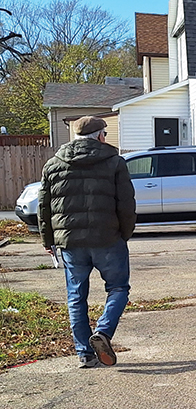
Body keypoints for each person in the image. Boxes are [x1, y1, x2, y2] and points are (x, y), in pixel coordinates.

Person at [38, 115, 135, 369]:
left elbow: (44, 206)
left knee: (76, 297)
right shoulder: (115, 162)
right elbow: (126, 203)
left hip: (70, 243)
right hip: (108, 238)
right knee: (118, 288)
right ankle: (103, 332)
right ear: (101, 136)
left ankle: (84, 353)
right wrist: (125, 233)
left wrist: (47, 240)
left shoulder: (52, 165)